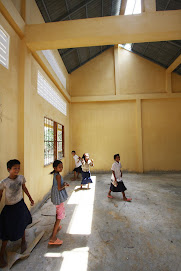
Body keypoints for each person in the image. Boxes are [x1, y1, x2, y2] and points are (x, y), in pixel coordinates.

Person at [0, 159, 34, 268]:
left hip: (20, 205)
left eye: (18, 168)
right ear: (8, 169)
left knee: (22, 222)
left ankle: (23, 241)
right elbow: (0, 196)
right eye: (15, 168)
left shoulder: (21, 178)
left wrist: (30, 198)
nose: (17, 170)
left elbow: (24, 188)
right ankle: (1, 253)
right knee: (6, 230)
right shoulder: (4, 182)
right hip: (9, 208)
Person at [49, 160, 69, 245]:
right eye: (59, 167)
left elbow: (58, 185)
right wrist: (64, 185)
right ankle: (53, 238)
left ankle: (56, 228)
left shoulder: (56, 174)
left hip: (56, 196)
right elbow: (59, 188)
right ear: (55, 168)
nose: (61, 168)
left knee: (58, 212)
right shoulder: (58, 176)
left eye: (62, 166)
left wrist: (63, 183)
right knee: (59, 216)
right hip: (58, 197)